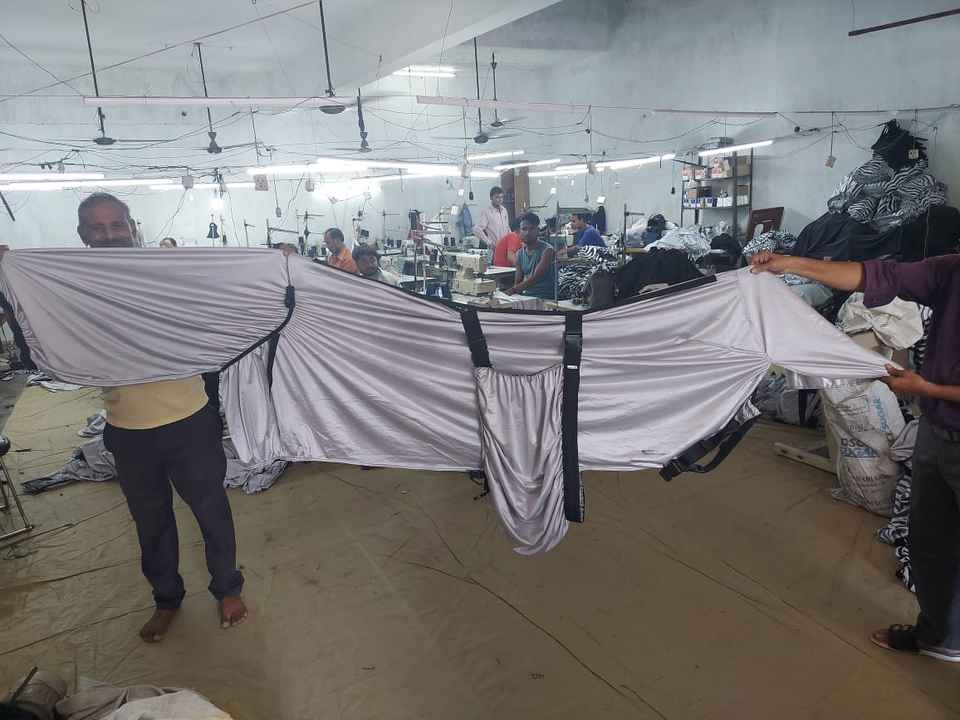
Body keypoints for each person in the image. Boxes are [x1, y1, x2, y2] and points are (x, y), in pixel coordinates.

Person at [751, 249, 960, 662]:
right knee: (931, 540)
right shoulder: (952, 271)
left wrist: (925, 389)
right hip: (937, 432)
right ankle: (941, 636)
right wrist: (790, 264)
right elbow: (875, 275)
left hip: (939, 411)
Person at [74, 193, 247, 642]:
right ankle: (167, 599)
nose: (109, 235)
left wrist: (275, 265)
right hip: (128, 431)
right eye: (98, 228)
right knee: (151, 523)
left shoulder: (165, 276)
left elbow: (223, 292)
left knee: (211, 511)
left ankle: (227, 588)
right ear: (82, 235)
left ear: (133, 228)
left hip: (189, 421)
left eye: (118, 224)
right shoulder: (75, 288)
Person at [507, 212, 557, 299]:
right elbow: (518, 281)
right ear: (519, 231)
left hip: (545, 298)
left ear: (538, 230)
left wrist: (512, 291)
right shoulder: (519, 254)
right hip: (527, 297)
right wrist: (511, 295)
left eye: (531, 228)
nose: (527, 233)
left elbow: (535, 278)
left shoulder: (547, 250)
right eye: (524, 229)